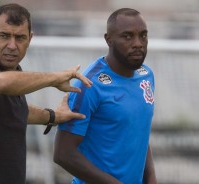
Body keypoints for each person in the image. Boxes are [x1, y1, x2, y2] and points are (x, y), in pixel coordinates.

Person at [0, 3, 92, 184]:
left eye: (20, 38)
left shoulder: (13, 76)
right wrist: (54, 78)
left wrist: (53, 116)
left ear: (30, 39)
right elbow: (1, 84)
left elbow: (14, 110)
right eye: (4, 36)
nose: (12, 45)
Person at [54, 8, 157, 184]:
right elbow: (63, 154)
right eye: (127, 36)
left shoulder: (146, 75)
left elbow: (139, 133)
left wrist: (151, 179)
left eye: (143, 35)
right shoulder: (89, 85)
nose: (138, 43)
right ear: (108, 40)